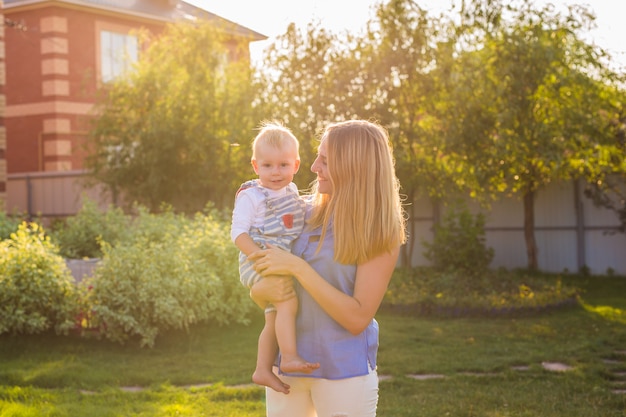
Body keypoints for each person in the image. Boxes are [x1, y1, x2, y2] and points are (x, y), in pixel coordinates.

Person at [248, 119, 407, 417]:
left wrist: (298, 268)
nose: (312, 167)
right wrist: (260, 290)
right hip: (286, 367)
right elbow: (260, 287)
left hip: (342, 371)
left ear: (353, 166)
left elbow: (358, 317)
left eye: (324, 160)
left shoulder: (381, 231)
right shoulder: (298, 212)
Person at [231, 121, 320, 395]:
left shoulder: (292, 194)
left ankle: (262, 368)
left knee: (274, 316)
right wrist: (261, 258)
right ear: (256, 166)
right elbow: (238, 234)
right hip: (258, 258)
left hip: (276, 259)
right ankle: (290, 356)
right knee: (288, 302)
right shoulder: (252, 196)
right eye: (267, 166)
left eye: (283, 165)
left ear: (296, 165)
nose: (276, 172)